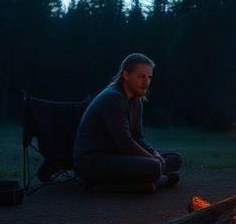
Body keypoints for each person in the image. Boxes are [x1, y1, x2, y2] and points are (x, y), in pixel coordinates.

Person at [72, 53, 182, 192]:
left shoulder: (136, 100)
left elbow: (138, 137)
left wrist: (154, 153)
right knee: (153, 166)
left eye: (149, 77)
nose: (146, 82)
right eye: (141, 76)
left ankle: (148, 181)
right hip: (94, 162)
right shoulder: (113, 98)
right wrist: (151, 159)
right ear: (126, 75)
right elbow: (124, 142)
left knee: (175, 158)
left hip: (117, 155)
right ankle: (149, 182)